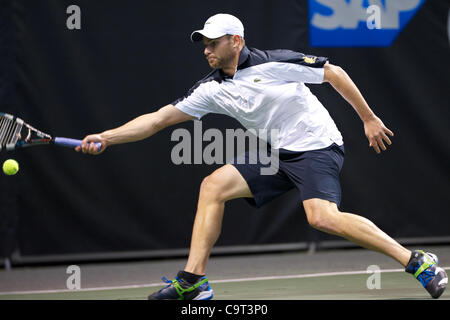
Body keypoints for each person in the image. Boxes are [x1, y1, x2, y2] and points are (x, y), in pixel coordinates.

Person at [77, 13, 448, 300]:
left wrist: (368, 118)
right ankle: (193, 282)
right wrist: (107, 137)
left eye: (213, 42)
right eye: (202, 43)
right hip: (278, 153)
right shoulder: (210, 90)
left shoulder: (275, 63)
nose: (206, 49)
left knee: (322, 218)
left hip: (317, 146)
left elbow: (334, 73)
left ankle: (416, 261)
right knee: (213, 186)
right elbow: (157, 120)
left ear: (235, 41)